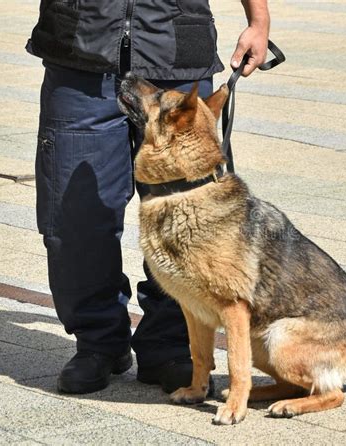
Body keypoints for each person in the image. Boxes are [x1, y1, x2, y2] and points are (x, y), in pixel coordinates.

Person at [26, 0, 270, 395]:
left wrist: (258, 21)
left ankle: (170, 346)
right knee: (73, 220)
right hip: (80, 53)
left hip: (176, 52)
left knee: (194, 224)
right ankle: (98, 343)